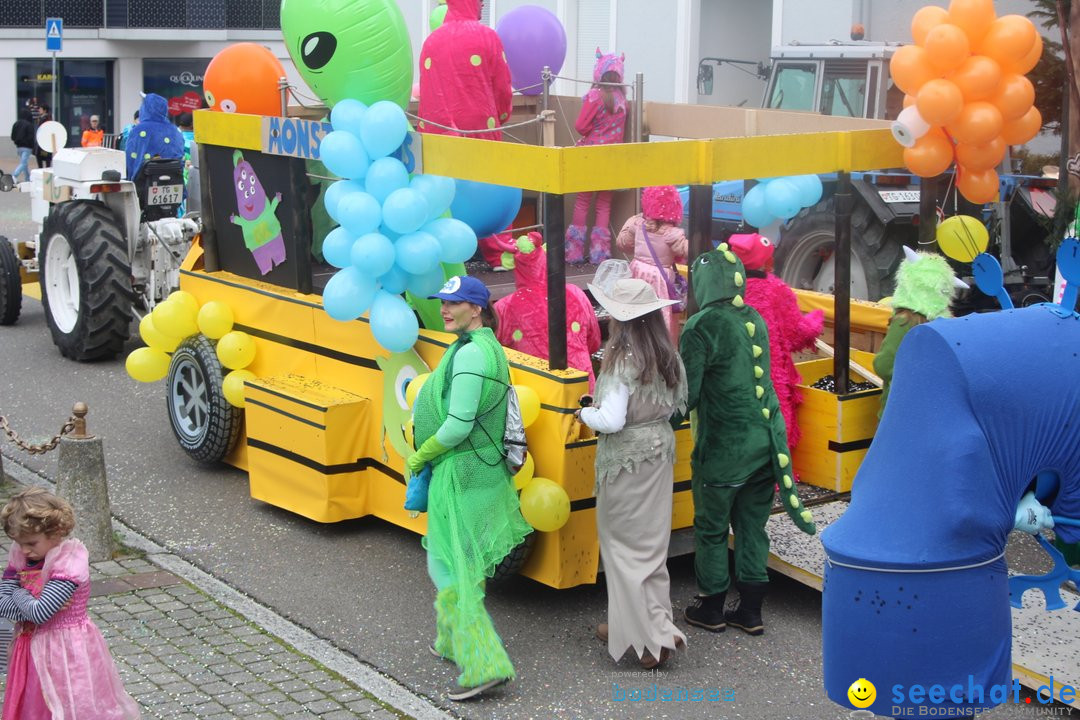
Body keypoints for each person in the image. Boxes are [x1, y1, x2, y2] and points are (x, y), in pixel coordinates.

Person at [679, 245, 816, 637]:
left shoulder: (700, 326)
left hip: (723, 451)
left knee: (712, 527)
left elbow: (686, 395)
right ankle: (751, 611)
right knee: (753, 527)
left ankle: (711, 607)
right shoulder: (752, 316)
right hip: (764, 445)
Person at [407, 275, 532, 701]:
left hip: (463, 474)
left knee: (448, 568)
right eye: (442, 302)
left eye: (454, 303)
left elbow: (459, 425)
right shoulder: (482, 346)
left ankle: (483, 665)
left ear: (476, 308)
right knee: (460, 561)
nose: (444, 310)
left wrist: (421, 455)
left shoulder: (470, 356)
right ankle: (450, 640)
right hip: (481, 473)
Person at [575, 260, 688, 669]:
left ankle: (646, 643)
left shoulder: (624, 360)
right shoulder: (667, 356)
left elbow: (612, 420)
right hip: (659, 453)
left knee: (623, 549)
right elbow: (671, 408)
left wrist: (583, 414)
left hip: (626, 460)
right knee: (650, 548)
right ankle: (639, 623)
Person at [0, 487, 141, 719]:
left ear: (55, 532)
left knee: (69, 703)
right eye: (19, 543)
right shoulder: (22, 555)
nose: (24, 550)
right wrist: (28, 599)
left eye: (31, 543)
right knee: (33, 706)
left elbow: (39, 614)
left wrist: (18, 593)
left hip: (65, 649)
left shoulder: (68, 562)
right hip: (29, 650)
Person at [728, 232, 823, 450]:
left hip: (732, 367)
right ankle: (777, 477)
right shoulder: (776, 289)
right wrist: (816, 319)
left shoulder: (725, 287)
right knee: (774, 416)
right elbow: (797, 334)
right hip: (768, 371)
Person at [494, 232, 602, 390]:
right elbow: (593, 340)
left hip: (537, 391)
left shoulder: (504, 307)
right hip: (580, 385)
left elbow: (498, 354)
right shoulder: (576, 293)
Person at [873, 247, 967, 416]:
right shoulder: (949, 325)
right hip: (933, 412)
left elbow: (884, 364)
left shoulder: (905, 322)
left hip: (900, 411)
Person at [417, 0, 511, 141]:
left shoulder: (430, 42)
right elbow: (502, 90)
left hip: (437, 138)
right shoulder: (488, 37)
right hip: (481, 133)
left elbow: (427, 95)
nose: (483, 4)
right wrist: (502, 115)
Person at [566, 48, 628, 265]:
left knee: (583, 201)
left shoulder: (594, 97)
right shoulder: (622, 99)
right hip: (612, 159)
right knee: (604, 204)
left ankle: (573, 253)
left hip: (591, 156)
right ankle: (599, 255)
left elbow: (581, 126)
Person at [615, 185, 688, 341]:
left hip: (637, 272)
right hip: (659, 279)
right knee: (660, 314)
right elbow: (688, 252)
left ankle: (632, 339)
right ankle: (660, 344)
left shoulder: (638, 225)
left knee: (635, 307)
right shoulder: (673, 233)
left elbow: (622, 244)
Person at [125, 93, 184, 180]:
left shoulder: (138, 130)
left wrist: (130, 179)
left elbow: (131, 159)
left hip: (144, 182)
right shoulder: (175, 130)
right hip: (174, 180)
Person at [10, 110, 35, 184]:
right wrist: (32, 146)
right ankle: (14, 176)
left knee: (24, 163)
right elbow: (31, 137)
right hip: (27, 147)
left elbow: (12, 136)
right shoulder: (29, 125)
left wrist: (16, 141)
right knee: (23, 163)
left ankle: (27, 178)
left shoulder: (16, 124)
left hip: (19, 147)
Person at [34, 104, 52, 168]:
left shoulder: (46, 118)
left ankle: (45, 171)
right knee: (41, 156)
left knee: (43, 156)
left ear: (44, 110)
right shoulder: (42, 118)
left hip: (44, 142)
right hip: (42, 142)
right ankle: (43, 170)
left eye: (40, 109)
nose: (39, 110)